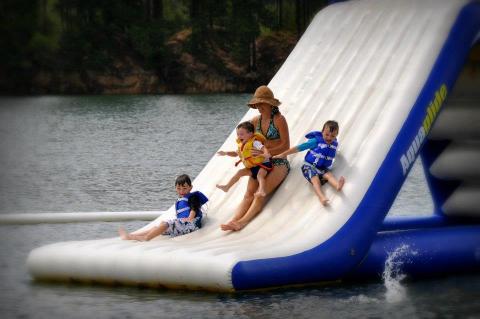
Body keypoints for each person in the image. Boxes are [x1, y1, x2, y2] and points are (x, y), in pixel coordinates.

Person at [221, 85, 290, 231]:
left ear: (270, 104)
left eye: (261, 103)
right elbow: (243, 141)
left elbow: (286, 145)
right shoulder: (254, 121)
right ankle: (233, 220)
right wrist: (239, 153)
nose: (259, 107)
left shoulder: (279, 120)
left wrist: (267, 153)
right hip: (259, 163)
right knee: (249, 194)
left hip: (278, 160)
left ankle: (242, 222)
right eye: (257, 104)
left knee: (259, 193)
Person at [274, 120, 345, 206]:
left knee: (329, 175)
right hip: (309, 166)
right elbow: (299, 148)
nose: (329, 138)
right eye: (327, 134)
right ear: (322, 132)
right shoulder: (315, 141)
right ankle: (321, 197)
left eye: (333, 136)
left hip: (322, 168)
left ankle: (337, 185)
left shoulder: (334, 144)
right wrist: (283, 154)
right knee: (315, 179)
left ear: (336, 135)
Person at [118, 174, 208, 241]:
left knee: (166, 223)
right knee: (158, 227)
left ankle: (146, 238)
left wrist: (189, 218)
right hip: (183, 226)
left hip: (191, 224)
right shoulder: (181, 199)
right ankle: (131, 236)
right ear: (175, 188)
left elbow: (194, 209)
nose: (181, 191)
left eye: (184, 188)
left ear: (190, 187)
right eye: (178, 188)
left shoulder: (192, 197)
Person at [216, 121, 272, 197]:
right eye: (238, 134)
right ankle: (227, 187)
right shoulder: (242, 145)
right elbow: (235, 154)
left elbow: (263, 148)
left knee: (260, 175)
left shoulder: (254, 142)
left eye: (242, 134)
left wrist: (265, 154)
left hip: (263, 165)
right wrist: (225, 153)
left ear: (251, 134)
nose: (239, 136)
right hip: (253, 167)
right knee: (239, 172)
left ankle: (262, 190)